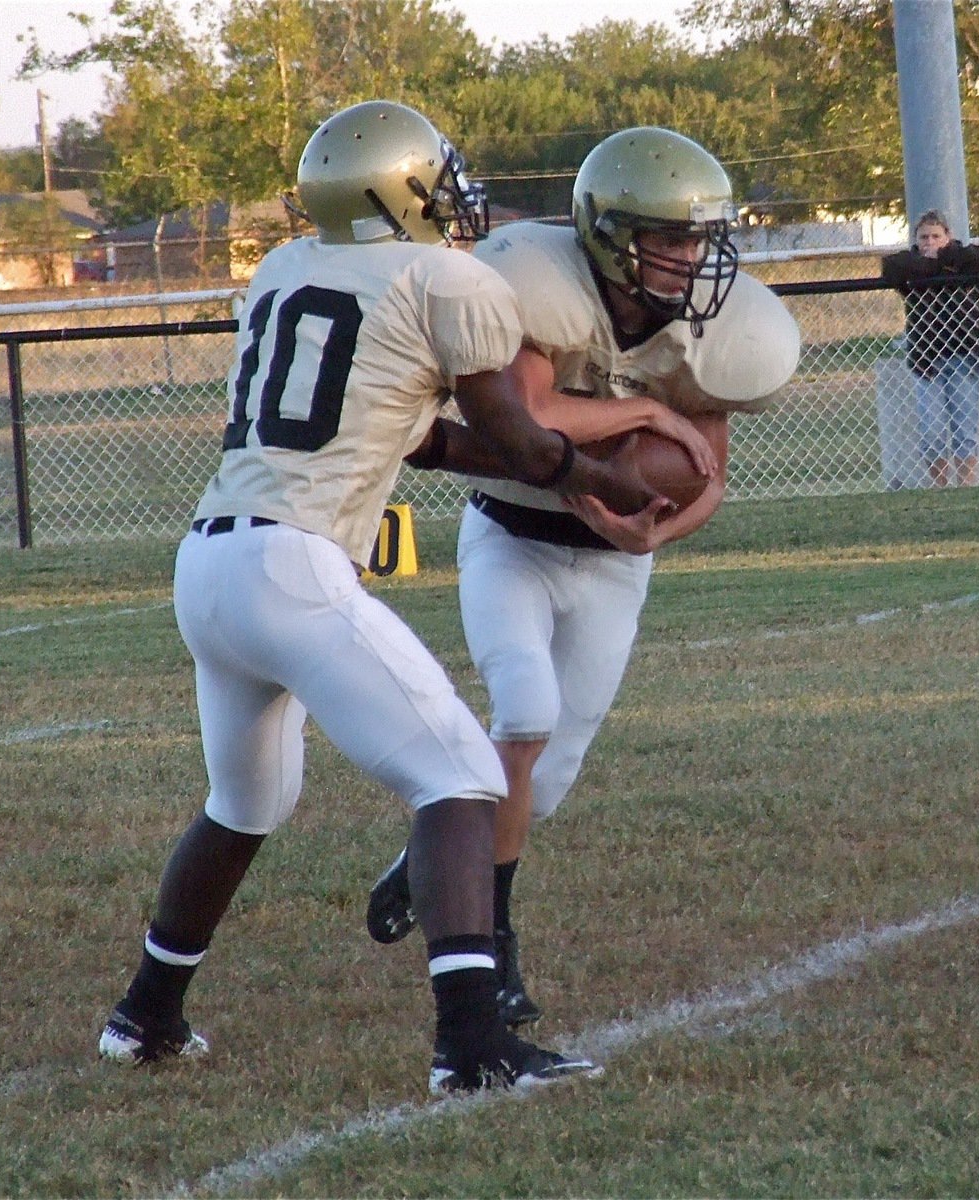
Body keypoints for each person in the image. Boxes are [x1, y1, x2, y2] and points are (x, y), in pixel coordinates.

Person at [97, 100, 668, 1094]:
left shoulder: (282, 269)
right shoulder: (445, 276)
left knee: (246, 802)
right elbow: (526, 442)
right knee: (460, 778)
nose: (452, 197)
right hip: (293, 566)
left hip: (210, 562)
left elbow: (425, 437)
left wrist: (550, 462)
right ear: (399, 189)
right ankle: (473, 1049)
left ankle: (144, 1016)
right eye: (437, 178)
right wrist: (607, 478)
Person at [365, 127, 801, 1028]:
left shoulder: (710, 332)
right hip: (512, 538)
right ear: (608, 233)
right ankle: (496, 946)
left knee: (545, 781)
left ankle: (428, 861)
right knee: (521, 712)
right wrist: (639, 407)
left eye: (699, 239)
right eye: (670, 238)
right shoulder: (544, 287)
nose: (691, 258)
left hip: (610, 569)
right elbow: (528, 415)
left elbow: (704, 472)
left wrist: (655, 533)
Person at [881, 209, 979, 487]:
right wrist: (929, 265)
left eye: (936, 236)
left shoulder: (964, 263)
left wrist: (942, 258)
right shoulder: (911, 268)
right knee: (931, 430)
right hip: (927, 359)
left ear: (948, 236)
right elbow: (890, 268)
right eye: (923, 237)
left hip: (965, 355)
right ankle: (940, 488)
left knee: (964, 428)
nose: (929, 242)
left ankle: (965, 486)